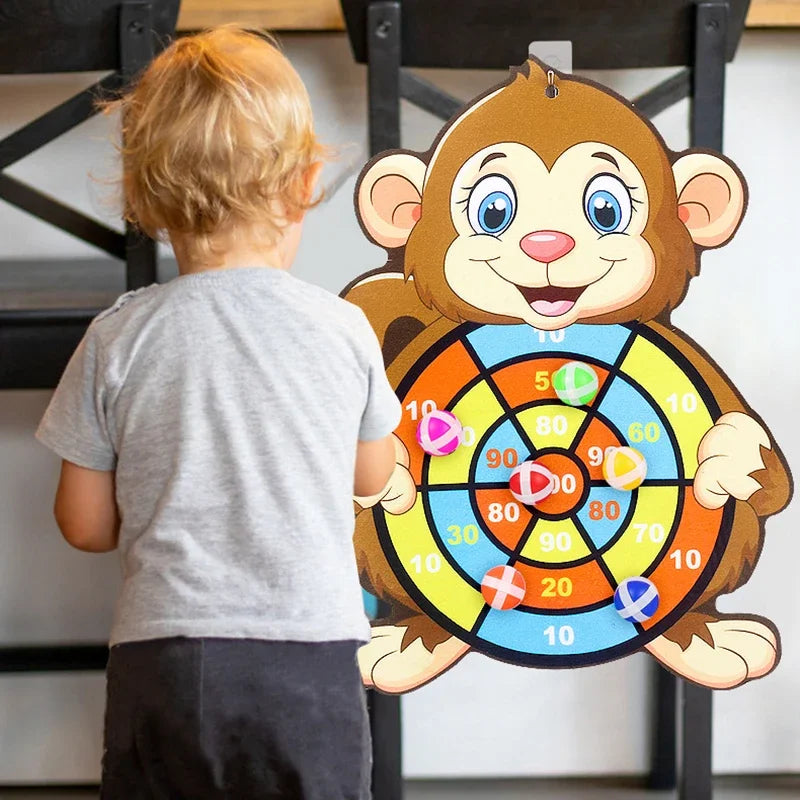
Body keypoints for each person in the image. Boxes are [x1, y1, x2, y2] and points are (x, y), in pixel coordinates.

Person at [35, 26, 399, 800]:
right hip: (308, 659)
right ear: (305, 182)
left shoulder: (116, 336)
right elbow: (372, 477)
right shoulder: (342, 328)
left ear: (144, 197)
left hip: (163, 659)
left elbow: (85, 524)